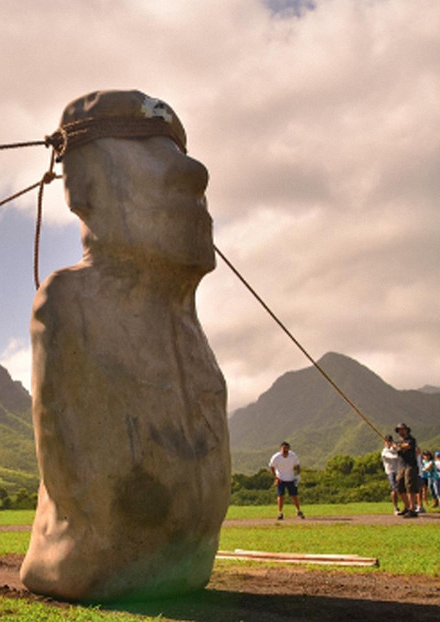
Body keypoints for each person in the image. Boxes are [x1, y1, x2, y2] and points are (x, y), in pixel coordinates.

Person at [19, 90, 229, 602]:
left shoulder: (185, 321)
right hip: (85, 567)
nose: (193, 176)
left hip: (186, 568)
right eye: (150, 153)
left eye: (177, 154)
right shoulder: (70, 302)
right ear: (85, 186)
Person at [269, 442, 304, 520]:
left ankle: (298, 510)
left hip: (291, 478)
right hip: (280, 478)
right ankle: (280, 513)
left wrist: (297, 475)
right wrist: (275, 477)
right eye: (283, 449)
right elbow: (271, 466)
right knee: (280, 496)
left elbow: (297, 465)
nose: (285, 451)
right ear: (280, 449)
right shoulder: (276, 457)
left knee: (294, 495)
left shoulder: (293, 456)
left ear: (289, 449)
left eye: (286, 449)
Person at [394, 423, 421, 518]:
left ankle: (412, 509)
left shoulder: (411, 440)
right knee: (399, 487)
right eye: (399, 429)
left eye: (403, 429)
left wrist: (397, 446)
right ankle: (407, 506)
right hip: (401, 466)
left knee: (410, 486)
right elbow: (397, 451)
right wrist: (395, 447)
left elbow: (407, 446)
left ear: (406, 430)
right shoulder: (398, 442)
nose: (401, 431)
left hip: (411, 466)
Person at [381, 435, 404, 515]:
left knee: (402, 489)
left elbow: (402, 455)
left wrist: (397, 449)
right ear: (385, 442)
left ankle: (407, 506)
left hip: (399, 471)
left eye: (390, 441)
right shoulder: (385, 452)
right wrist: (396, 451)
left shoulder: (394, 449)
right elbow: (394, 457)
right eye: (387, 441)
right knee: (394, 489)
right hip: (391, 472)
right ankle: (395, 508)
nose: (389, 443)